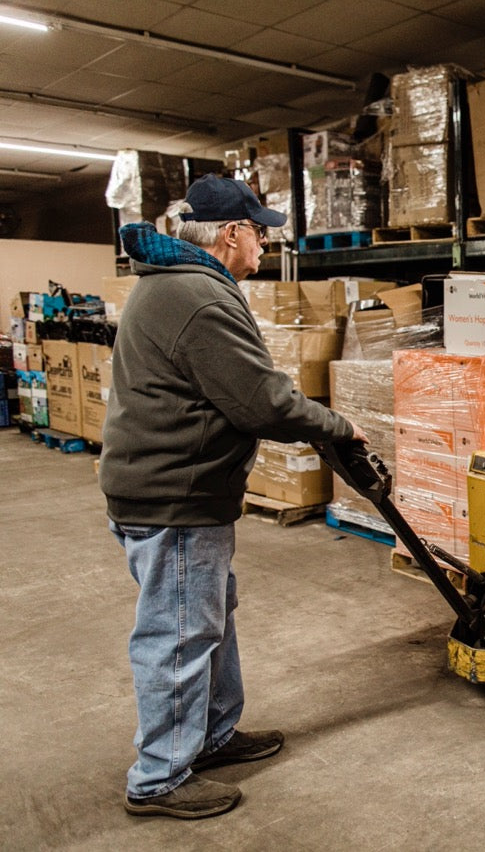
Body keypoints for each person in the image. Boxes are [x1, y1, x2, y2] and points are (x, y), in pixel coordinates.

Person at [99, 174, 367, 820]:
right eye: (260, 232)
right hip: (176, 492)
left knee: (207, 612)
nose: (264, 246)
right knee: (181, 632)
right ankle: (159, 776)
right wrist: (340, 425)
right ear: (232, 233)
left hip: (173, 485)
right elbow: (261, 401)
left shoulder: (174, 286)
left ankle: (212, 735)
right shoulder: (197, 297)